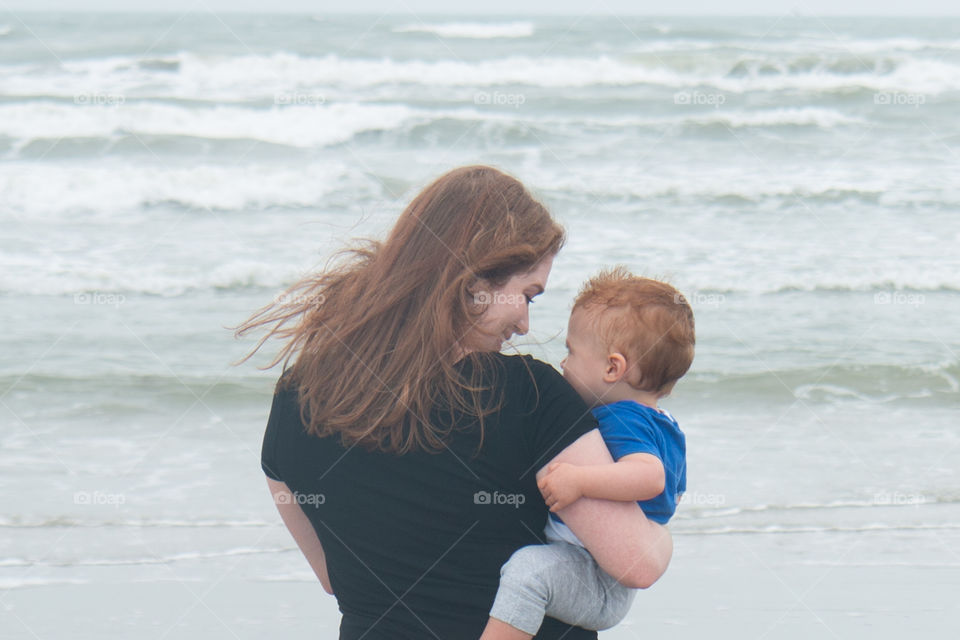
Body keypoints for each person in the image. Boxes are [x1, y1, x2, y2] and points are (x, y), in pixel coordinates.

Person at [235, 166, 673, 640]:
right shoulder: (528, 393)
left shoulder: (297, 397)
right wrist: (663, 537)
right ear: (473, 281)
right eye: (527, 294)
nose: (525, 324)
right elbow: (636, 563)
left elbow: (330, 576)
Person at [480, 268, 694, 640]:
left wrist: (579, 480)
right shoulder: (655, 420)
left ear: (613, 368)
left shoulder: (624, 420)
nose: (563, 363)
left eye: (572, 352)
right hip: (596, 568)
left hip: (598, 575)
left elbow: (649, 475)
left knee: (528, 572)